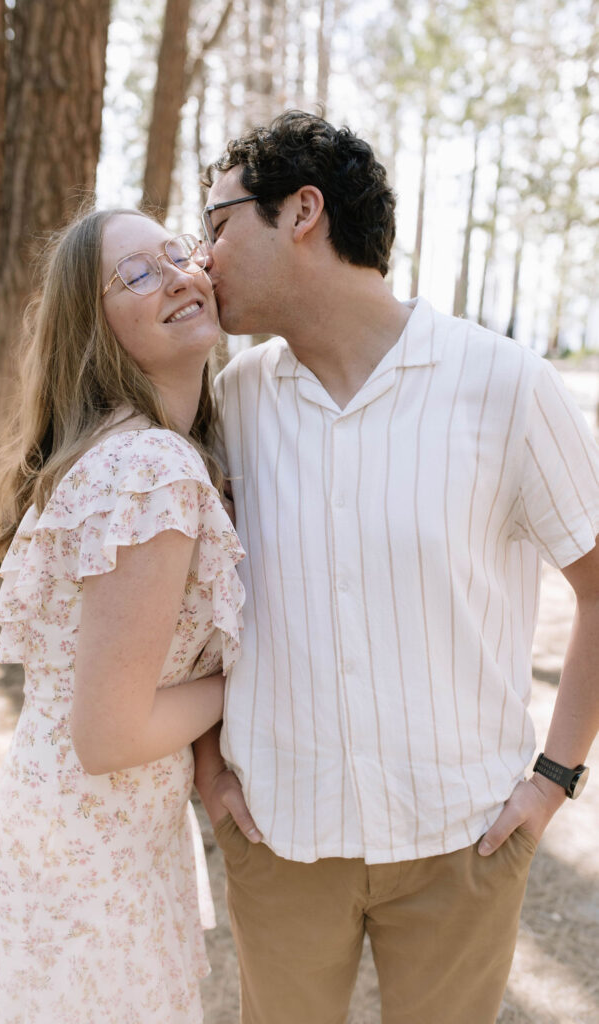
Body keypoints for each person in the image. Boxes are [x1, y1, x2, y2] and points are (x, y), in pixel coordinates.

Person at [193, 111, 599, 1024]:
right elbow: (190, 612)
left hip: (463, 840)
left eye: (217, 224)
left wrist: (552, 779)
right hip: (278, 836)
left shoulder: (503, 383)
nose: (200, 256)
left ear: (303, 211)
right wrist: (209, 771)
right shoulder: (229, 403)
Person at [0, 208, 245, 1024]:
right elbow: (108, 734)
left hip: (82, 837)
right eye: (137, 274)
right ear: (95, 328)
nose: (179, 274)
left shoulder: (133, 449)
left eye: (177, 253)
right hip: (86, 865)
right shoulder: (149, 467)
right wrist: (244, 677)